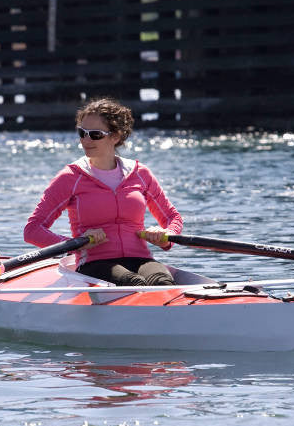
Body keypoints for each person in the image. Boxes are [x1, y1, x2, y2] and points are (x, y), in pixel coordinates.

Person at [23, 98, 183, 286]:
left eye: (95, 135)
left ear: (115, 136)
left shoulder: (140, 174)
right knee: (133, 282)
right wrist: (76, 244)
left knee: (163, 282)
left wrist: (165, 236)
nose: (86, 140)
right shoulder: (70, 178)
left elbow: (172, 217)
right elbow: (32, 230)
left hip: (141, 259)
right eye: (82, 133)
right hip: (94, 263)